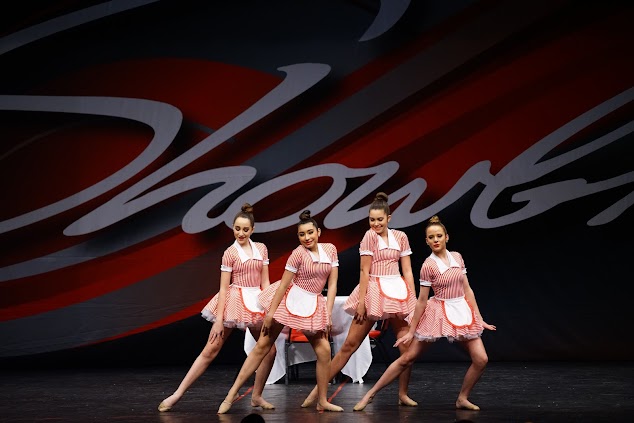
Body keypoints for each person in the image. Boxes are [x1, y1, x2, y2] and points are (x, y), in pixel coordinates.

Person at [353, 215, 496, 412]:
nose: (435, 240)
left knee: (481, 359)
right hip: (437, 312)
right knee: (407, 358)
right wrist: (412, 331)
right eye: (431, 237)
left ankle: (462, 398)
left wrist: (479, 319)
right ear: (427, 241)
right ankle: (371, 394)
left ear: (446, 237)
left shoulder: (457, 257)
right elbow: (421, 300)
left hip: (461, 310)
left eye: (439, 236)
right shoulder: (428, 265)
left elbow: (467, 289)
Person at [217, 210, 343, 414]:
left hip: (313, 303)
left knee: (324, 351)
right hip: (290, 299)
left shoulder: (330, 250)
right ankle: (230, 395)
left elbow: (333, 283)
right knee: (262, 346)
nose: (307, 237)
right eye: (302, 234)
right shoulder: (298, 253)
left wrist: (327, 314)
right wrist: (269, 314)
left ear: (318, 232)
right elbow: (283, 285)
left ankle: (322, 400)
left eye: (310, 232)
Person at [301, 192, 418, 408]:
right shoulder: (369, 237)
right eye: (372, 220)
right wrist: (362, 302)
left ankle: (402, 394)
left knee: (407, 349)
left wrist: (413, 300)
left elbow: (408, 270)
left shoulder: (400, 237)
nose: (375, 224)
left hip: (398, 292)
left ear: (389, 218)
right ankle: (316, 394)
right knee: (349, 345)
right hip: (373, 291)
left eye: (380, 219)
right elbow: (364, 271)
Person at [158, 204, 276, 412]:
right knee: (210, 350)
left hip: (256, 302)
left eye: (245, 229)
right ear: (232, 228)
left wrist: (269, 309)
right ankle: (177, 394)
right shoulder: (230, 253)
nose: (241, 233)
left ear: (252, 229)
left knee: (270, 350)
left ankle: (257, 396)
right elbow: (223, 287)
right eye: (237, 229)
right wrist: (219, 321)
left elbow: (265, 282)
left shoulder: (261, 248)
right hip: (234, 301)